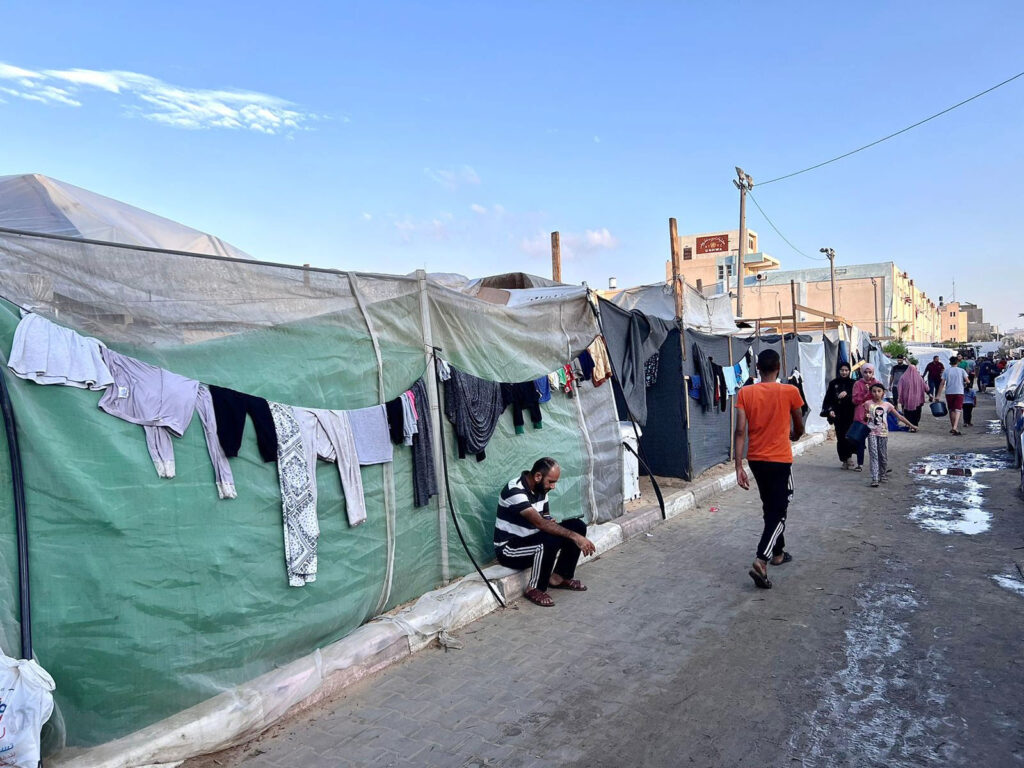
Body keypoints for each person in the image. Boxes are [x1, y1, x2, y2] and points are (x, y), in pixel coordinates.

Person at [734, 349, 805, 590]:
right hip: (780, 459)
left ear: (757, 368)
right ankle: (761, 560)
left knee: (771, 506)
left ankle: (778, 553)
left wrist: (738, 466)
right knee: (780, 510)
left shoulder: (745, 392)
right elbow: (799, 425)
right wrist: (794, 435)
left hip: (756, 459)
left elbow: (740, 431)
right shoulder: (790, 391)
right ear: (779, 368)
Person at [493, 457, 595, 607]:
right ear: (538, 476)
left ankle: (559, 577)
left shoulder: (541, 488)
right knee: (551, 538)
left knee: (577, 526)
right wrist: (575, 537)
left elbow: (545, 518)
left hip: (533, 540)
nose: (553, 487)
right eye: (551, 482)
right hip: (510, 550)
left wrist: (566, 529)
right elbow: (541, 523)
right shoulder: (514, 491)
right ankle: (534, 588)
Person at [859, 382, 917, 487]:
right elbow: (863, 418)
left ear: (883, 393)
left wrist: (911, 425)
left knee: (883, 455)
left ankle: (883, 473)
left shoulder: (887, 405)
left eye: (879, 391)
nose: (876, 393)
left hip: (883, 433)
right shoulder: (868, 404)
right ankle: (875, 478)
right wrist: (866, 417)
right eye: (874, 391)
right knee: (874, 455)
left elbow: (899, 417)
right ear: (871, 393)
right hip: (871, 432)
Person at [822, 362, 863, 470]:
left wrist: (848, 394)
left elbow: (858, 398)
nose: (844, 372)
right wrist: (830, 410)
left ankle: (849, 457)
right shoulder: (833, 383)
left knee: (850, 436)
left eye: (846, 370)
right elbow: (828, 399)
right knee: (840, 437)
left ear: (849, 371)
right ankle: (844, 460)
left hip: (851, 414)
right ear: (838, 371)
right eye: (842, 370)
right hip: (838, 415)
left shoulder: (854, 383)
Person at [938, 356, 970, 435]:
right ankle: (955, 427)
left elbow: (942, 383)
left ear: (950, 363)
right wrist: (965, 384)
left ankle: (953, 427)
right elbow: (968, 381)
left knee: (951, 410)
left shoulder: (946, 371)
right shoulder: (962, 370)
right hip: (959, 392)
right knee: (958, 410)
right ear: (958, 362)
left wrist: (938, 395)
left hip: (949, 392)